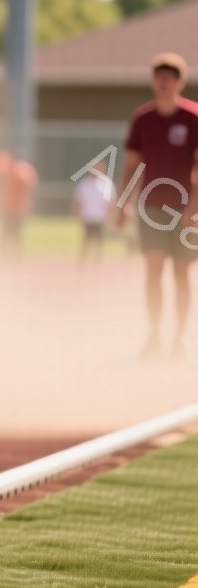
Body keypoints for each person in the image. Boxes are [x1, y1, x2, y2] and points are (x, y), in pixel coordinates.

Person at [117, 53, 198, 361]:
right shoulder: (143, 119)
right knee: (153, 271)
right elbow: (132, 164)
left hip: (187, 211)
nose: (164, 83)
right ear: (154, 81)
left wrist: (193, 206)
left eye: (170, 78)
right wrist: (122, 204)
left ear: (179, 82)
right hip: (151, 207)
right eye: (159, 77)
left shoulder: (192, 118)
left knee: (181, 273)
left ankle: (180, 337)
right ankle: (153, 334)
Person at [74, 157, 113, 266]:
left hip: (101, 218)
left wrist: (111, 216)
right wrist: (77, 213)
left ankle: (97, 264)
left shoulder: (106, 183)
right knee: (86, 242)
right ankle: (83, 263)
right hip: (88, 217)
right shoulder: (84, 184)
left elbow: (110, 202)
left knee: (99, 243)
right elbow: (78, 201)